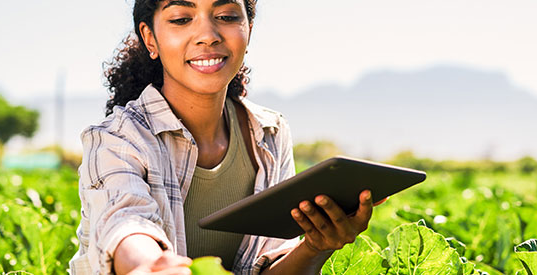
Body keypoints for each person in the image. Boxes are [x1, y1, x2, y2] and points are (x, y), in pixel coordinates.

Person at [69, 0, 378, 274]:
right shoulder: (115, 139)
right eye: (181, 18)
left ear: (249, 30)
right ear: (150, 38)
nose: (208, 35)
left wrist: (315, 246)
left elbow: (265, 265)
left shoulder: (270, 133)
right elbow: (124, 223)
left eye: (227, 16)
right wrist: (150, 265)